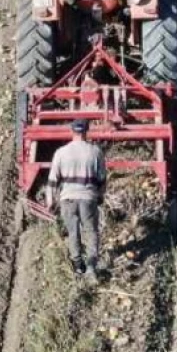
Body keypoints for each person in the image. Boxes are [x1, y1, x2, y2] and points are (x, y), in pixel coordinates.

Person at [50, 119, 106, 281]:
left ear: (72, 131)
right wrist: (100, 195)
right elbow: (102, 179)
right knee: (91, 231)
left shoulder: (61, 152)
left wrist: (50, 199)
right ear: (86, 131)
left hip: (67, 199)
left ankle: (78, 266)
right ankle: (91, 266)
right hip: (88, 198)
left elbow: (53, 180)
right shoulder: (95, 152)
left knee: (73, 232)